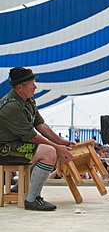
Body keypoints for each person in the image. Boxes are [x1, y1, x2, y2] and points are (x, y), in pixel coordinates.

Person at [0, 67, 74, 211]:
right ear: (19, 87)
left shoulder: (28, 101)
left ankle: (18, 189)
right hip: (5, 149)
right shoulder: (11, 106)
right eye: (31, 84)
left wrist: (60, 142)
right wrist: (56, 148)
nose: (35, 87)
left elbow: (40, 125)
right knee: (48, 152)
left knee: (49, 150)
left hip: (16, 145)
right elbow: (31, 136)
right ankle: (32, 199)